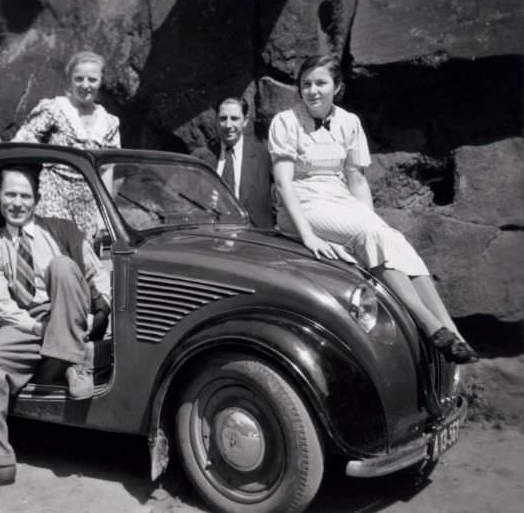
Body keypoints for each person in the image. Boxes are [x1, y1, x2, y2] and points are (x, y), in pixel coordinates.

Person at [267, 54, 478, 364]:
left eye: (320, 83)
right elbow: (284, 183)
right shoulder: (285, 122)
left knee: (393, 238)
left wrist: (371, 220)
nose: (312, 91)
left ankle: (452, 333)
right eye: (306, 84)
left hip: (339, 200)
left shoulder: (349, 122)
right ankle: (428, 324)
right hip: (303, 203)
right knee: (370, 232)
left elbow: (357, 179)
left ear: (337, 87)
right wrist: (308, 236)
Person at [0, 166, 111, 493]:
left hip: (69, 310)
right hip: (29, 323)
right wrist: (40, 327)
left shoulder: (61, 230)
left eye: (25, 196)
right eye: (11, 195)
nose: (18, 203)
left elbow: (96, 274)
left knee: (64, 266)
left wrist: (100, 311)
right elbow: (0, 307)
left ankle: (71, 359)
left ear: (36, 200)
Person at [0, 50, 120, 242]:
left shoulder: (110, 122)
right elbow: (26, 137)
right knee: (50, 252)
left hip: (88, 201)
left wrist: (103, 215)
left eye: (92, 79)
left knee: (82, 260)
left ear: (101, 81)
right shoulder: (55, 108)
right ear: (70, 80)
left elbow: (107, 170)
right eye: (79, 79)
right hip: (54, 194)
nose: (85, 85)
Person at [192, 96, 273, 228]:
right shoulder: (202, 157)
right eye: (223, 119)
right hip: (211, 237)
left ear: (245, 121)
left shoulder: (264, 155)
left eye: (234, 118)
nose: (228, 125)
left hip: (253, 239)